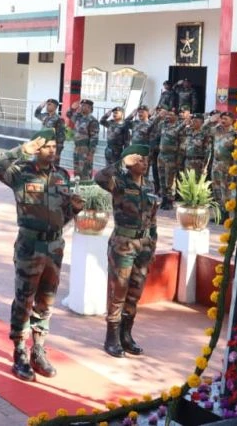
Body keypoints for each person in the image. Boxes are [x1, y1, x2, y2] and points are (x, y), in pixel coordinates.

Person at [0, 129, 84, 382]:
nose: (52, 150)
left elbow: (62, 216)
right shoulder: (21, 172)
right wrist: (22, 150)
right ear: (36, 148)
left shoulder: (62, 175)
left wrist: (74, 209)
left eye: (54, 146)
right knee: (24, 299)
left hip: (54, 246)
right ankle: (19, 351)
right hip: (30, 245)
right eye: (46, 146)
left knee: (46, 300)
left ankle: (38, 350)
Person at [96, 144, 159, 357]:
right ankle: (111, 337)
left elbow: (153, 218)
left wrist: (152, 245)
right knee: (118, 291)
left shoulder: (149, 185)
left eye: (146, 159)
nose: (144, 163)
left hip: (144, 245)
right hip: (123, 244)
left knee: (134, 293)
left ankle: (126, 335)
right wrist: (121, 163)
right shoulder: (119, 182)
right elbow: (99, 178)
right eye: (139, 159)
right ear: (130, 161)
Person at [210, 111, 237, 205]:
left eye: (226, 119)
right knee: (216, 190)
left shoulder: (235, 133)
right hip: (215, 166)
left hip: (227, 167)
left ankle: (226, 211)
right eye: (222, 118)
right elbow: (203, 130)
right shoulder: (216, 130)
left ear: (232, 121)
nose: (223, 120)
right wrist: (210, 120)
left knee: (226, 191)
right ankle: (218, 210)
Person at [67, 98, 99, 180]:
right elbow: (68, 114)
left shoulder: (92, 120)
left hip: (85, 149)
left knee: (85, 171)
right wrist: (72, 108)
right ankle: (77, 186)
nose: (82, 107)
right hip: (77, 148)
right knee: (77, 171)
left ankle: (86, 185)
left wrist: (91, 153)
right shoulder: (78, 118)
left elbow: (94, 138)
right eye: (82, 105)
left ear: (90, 108)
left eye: (84, 106)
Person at [157, 109, 183, 210]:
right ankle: (164, 199)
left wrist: (179, 159)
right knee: (162, 179)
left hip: (171, 156)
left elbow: (181, 143)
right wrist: (160, 115)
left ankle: (170, 200)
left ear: (176, 117)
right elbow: (155, 124)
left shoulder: (179, 126)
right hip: (161, 156)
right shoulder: (164, 125)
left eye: (171, 115)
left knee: (170, 180)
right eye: (168, 115)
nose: (168, 116)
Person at [34, 98, 66, 166]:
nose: (47, 106)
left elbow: (61, 137)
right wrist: (40, 106)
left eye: (49, 104)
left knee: (52, 166)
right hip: (42, 145)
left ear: (55, 107)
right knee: (37, 164)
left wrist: (58, 153)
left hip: (51, 148)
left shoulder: (59, 119)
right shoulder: (45, 116)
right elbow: (36, 114)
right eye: (47, 104)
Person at [183, 113, 211, 179]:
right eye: (192, 121)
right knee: (186, 181)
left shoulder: (205, 134)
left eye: (196, 121)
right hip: (187, 161)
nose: (193, 123)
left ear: (202, 123)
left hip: (198, 163)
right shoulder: (188, 132)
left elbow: (207, 151)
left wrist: (205, 166)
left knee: (196, 182)